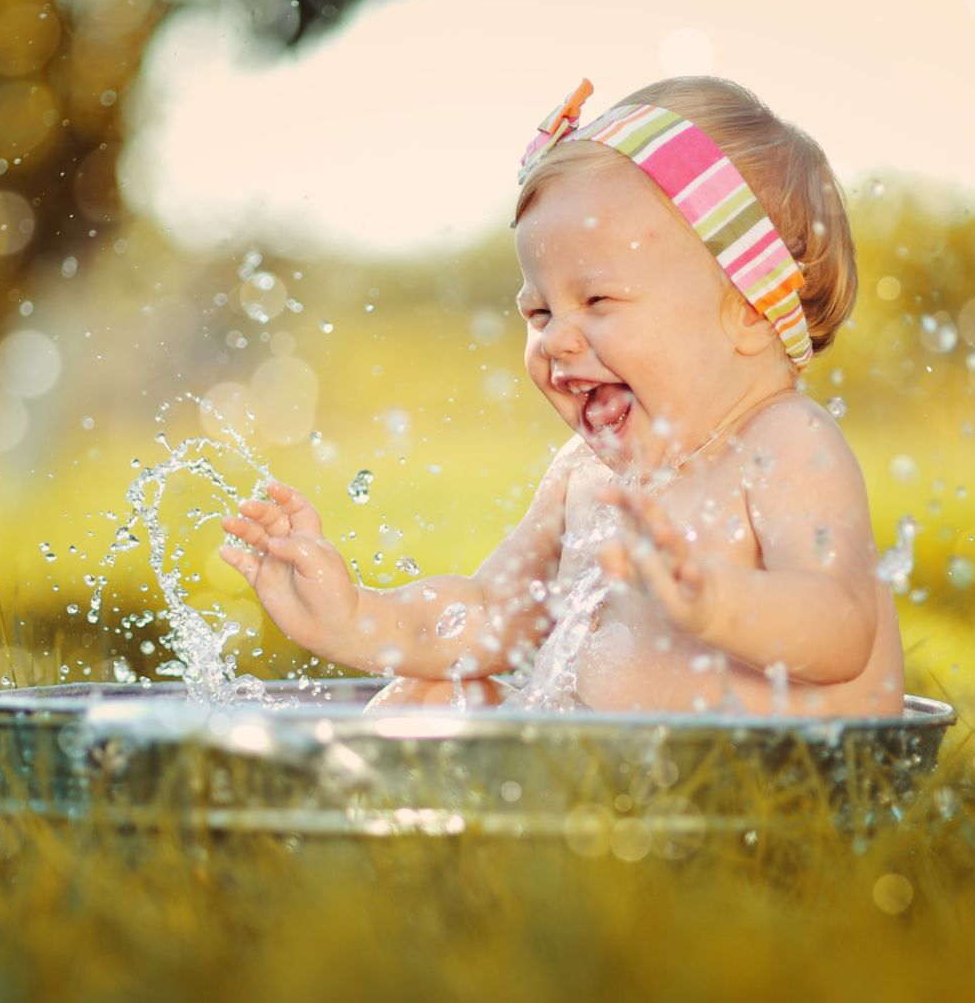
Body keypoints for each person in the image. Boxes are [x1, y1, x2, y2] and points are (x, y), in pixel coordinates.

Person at [218, 76, 905, 715]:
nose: (555, 342)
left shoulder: (784, 444)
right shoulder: (584, 473)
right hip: (602, 786)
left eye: (598, 300)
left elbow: (842, 628)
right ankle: (358, 822)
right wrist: (354, 617)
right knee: (430, 692)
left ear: (750, 311)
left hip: (751, 788)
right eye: (538, 313)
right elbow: (489, 612)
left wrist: (721, 604)